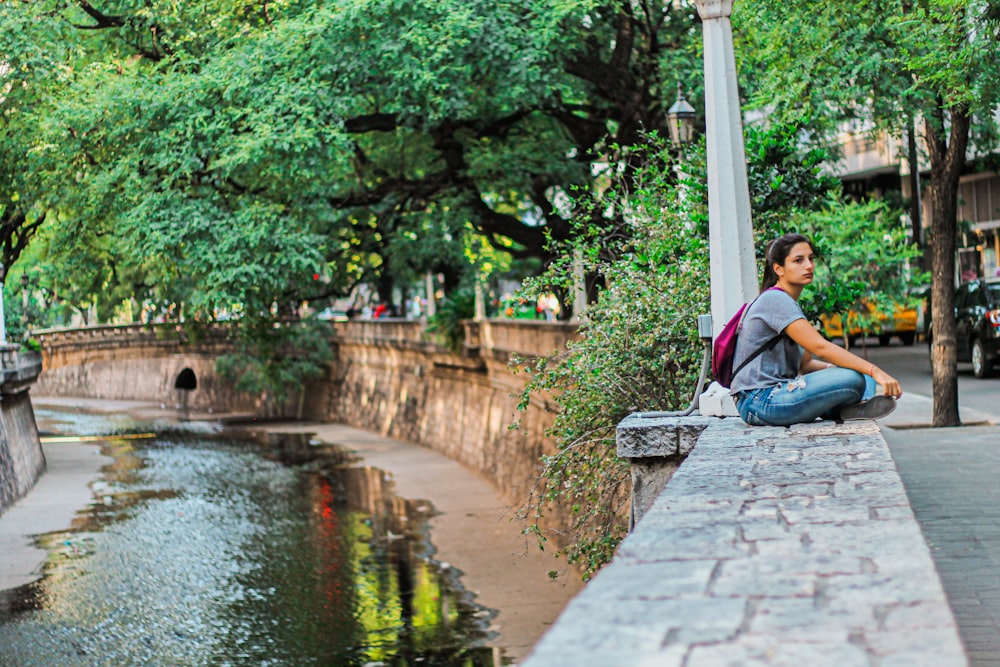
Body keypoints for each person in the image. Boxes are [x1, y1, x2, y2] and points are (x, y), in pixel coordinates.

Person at [730, 233, 903, 427]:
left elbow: (805, 365)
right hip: (759, 401)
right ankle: (845, 406)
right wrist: (875, 371)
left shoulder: (788, 303)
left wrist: (841, 369)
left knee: (860, 375)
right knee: (856, 376)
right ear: (778, 268)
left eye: (811, 259)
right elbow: (821, 348)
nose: (809, 265)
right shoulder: (775, 300)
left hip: (775, 397)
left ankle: (849, 407)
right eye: (798, 260)